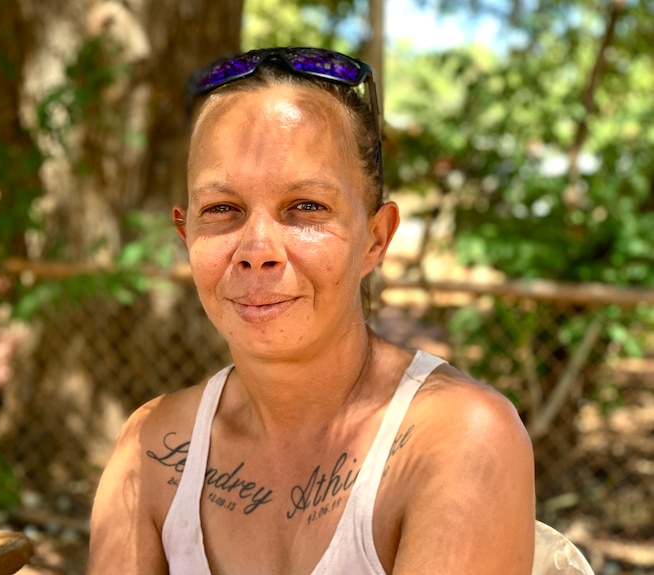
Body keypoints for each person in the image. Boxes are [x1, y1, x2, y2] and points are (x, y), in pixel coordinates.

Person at [88, 46, 536, 574]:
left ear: (375, 238)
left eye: (306, 207)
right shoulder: (152, 445)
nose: (258, 249)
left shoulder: (458, 436)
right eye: (222, 210)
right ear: (186, 234)